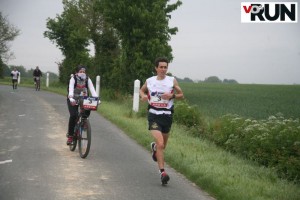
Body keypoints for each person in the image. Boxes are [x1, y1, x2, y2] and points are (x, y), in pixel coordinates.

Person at [139, 57, 184, 185]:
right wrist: (143, 96)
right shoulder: (150, 81)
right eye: (161, 67)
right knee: (160, 143)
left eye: (165, 67)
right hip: (153, 115)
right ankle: (162, 173)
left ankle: (154, 149)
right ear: (156, 68)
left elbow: (181, 95)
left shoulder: (172, 80)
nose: (163, 69)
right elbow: (142, 90)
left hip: (167, 116)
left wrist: (172, 95)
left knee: (162, 145)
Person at [66, 65, 99, 145]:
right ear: (76, 72)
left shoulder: (88, 79)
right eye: (80, 72)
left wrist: (97, 99)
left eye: (84, 72)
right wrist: (71, 98)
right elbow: (70, 89)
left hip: (84, 98)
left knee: (87, 110)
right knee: (73, 115)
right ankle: (70, 135)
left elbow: (92, 90)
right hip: (73, 98)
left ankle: (84, 122)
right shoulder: (73, 78)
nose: (82, 73)